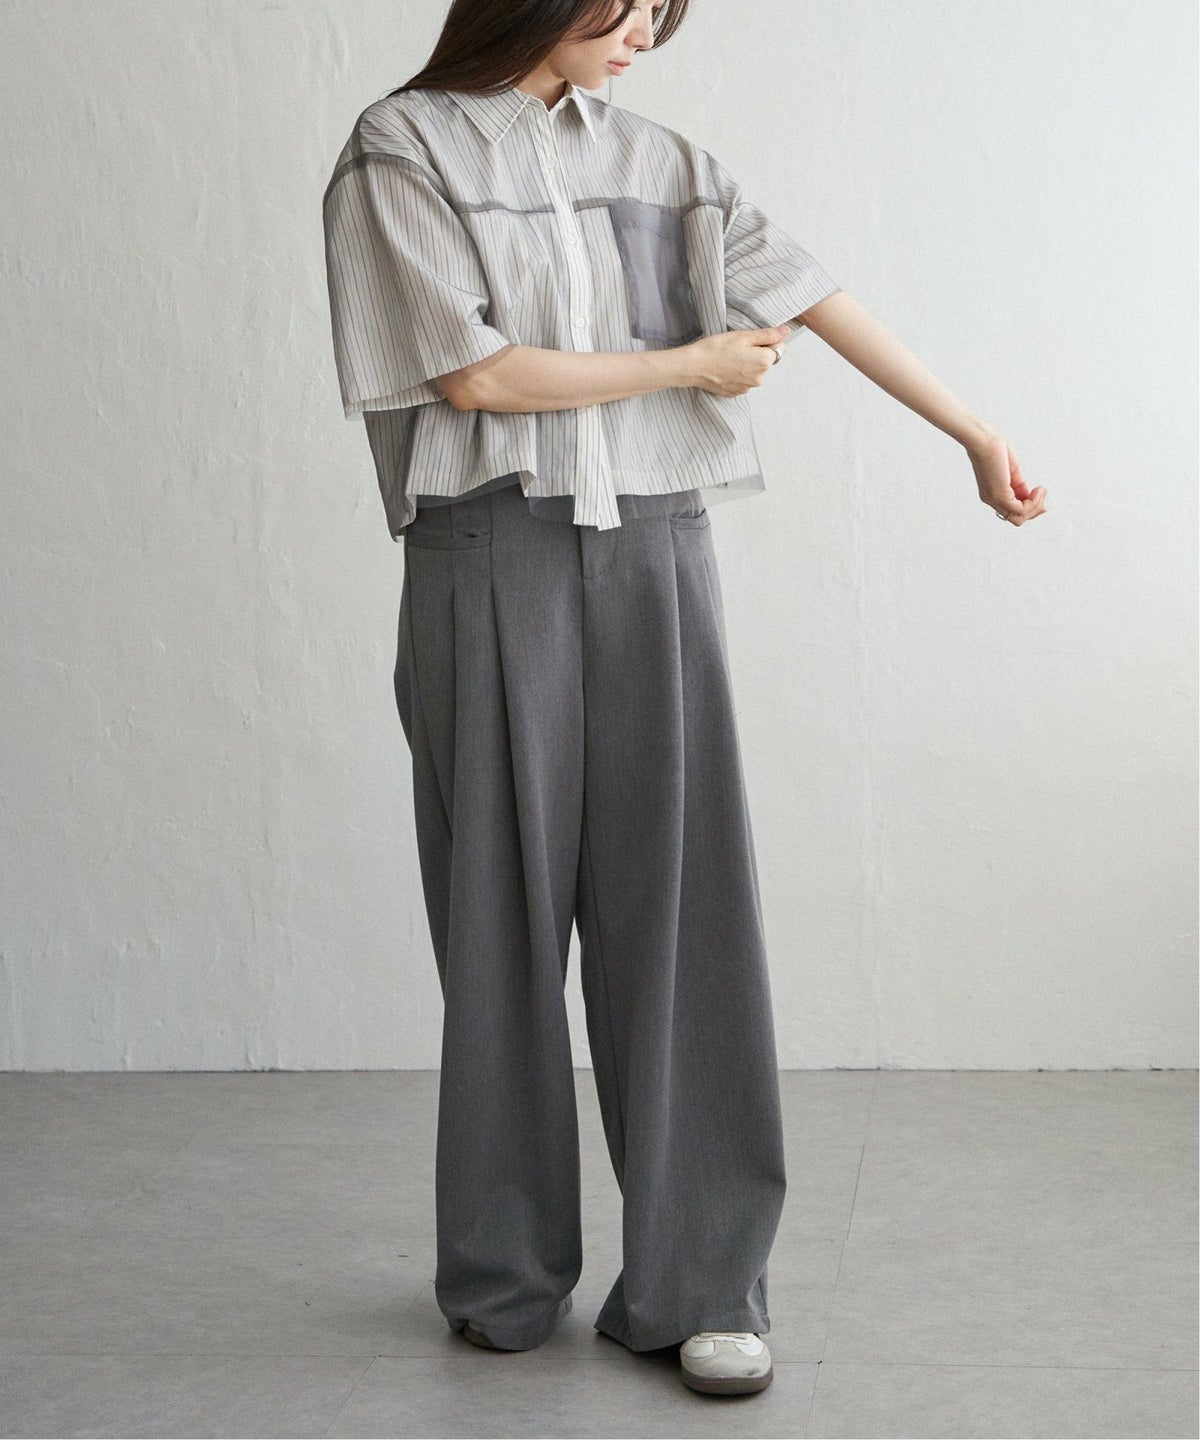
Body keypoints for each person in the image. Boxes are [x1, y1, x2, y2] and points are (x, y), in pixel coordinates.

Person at [322, 0, 1047, 1400]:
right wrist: (688, 366)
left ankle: (706, 1283)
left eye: (665, 10)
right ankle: (504, 1269)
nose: (648, 32)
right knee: (498, 920)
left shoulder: (664, 161)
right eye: (631, 3)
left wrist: (974, 432)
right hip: (487, 553)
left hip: (657, 548)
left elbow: (814, 292)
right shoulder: (398, 149)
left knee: (688, 916)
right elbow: (473, 374)